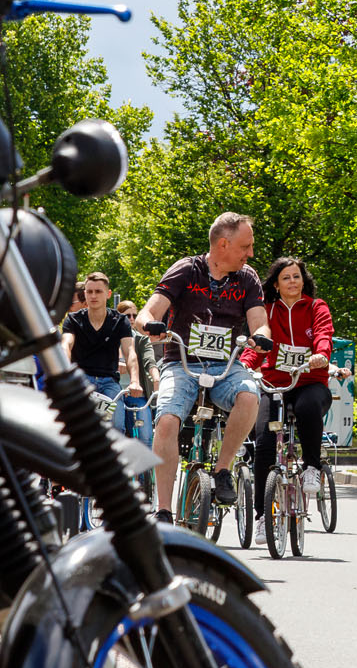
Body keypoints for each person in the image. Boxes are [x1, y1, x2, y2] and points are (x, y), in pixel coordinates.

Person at [137, 213, 273, 522]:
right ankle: (164, 511)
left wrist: (261, 337)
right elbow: (147, 311)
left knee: (250, 395)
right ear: (223, 244)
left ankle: (222, 469)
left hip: (225, 367)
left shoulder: (247, 278)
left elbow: (259, 322)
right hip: (181, 363)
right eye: (245, 246)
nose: (250, 254)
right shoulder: (187, 270)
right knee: (168, 420)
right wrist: (150, 325)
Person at [240, 257, 336, 543]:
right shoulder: (267, 311)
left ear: (303, 280)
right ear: (276, 284)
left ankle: (311, 468)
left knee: (307, 408)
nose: (293, 281)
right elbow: (258, 346)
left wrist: (320, 354)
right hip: (274, 384)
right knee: (265, 443)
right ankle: (261, 516)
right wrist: (244, 364)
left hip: (310, 383)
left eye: (297, 276)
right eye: (286, 277)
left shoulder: (317, 307)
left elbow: (323, 335)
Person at [61, 271, 141, 433]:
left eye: (98, 291)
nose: (93, 296)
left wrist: (134, 381)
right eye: (89, 292)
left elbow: (130, 351)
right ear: (84, 294)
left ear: (108, 294)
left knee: (117, 426)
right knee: (76, 425)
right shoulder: (73, 319)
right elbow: (66, 345)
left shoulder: (120, 321)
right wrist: (65, 373)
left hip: (109, 382)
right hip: (82, 379)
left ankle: (111, 457)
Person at [115, 299, 160, 451]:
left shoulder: (141, 339)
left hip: (136, 394)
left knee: (145, 437)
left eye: (134, 315)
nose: (132, 319)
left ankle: (144, 475)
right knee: (116, 431)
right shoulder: (108, 337)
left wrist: (156, 378)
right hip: (114, 393)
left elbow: (150, 361)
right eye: (128, 316)